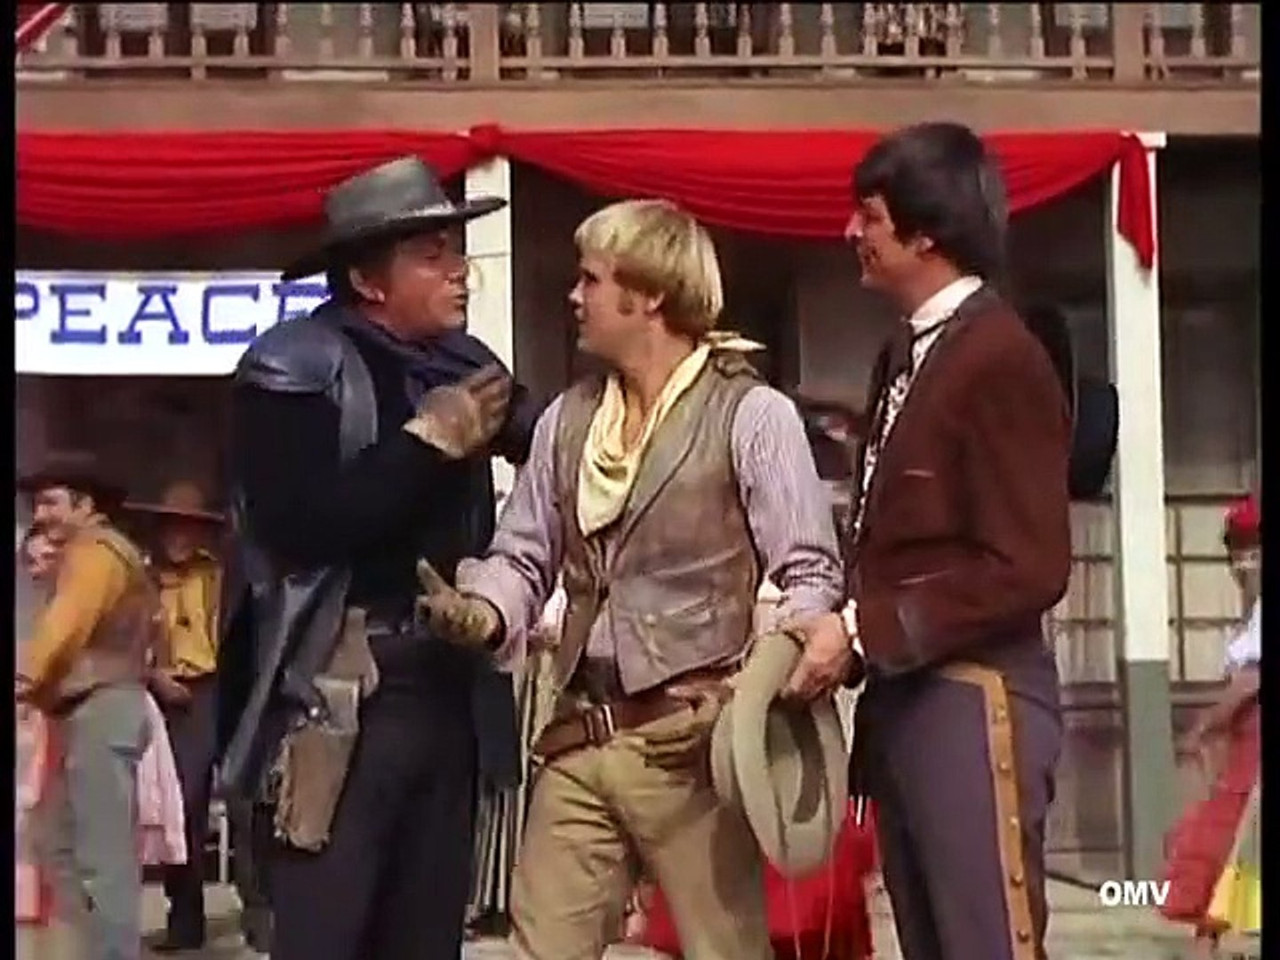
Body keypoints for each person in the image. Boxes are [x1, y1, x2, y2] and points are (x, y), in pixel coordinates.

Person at [416, 197, 848, 960]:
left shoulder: (750, 414)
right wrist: (482, 612)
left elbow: (809, 570)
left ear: (648, 295)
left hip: (694, 744)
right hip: (580, 733)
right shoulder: (568, 419)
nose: (573, 296)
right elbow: (522, 555)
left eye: (591, 278)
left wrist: (777, 675)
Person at [219, 155, 543, 960]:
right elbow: (298, 527)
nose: (459, 270)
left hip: (449, 678)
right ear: (368, 280)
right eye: (431, 256)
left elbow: (556, 448)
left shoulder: (464, 362)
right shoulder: (295, 364)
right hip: (343, 681)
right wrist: (421, 446)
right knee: (328, 925)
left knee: (427, 930)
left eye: (455, 250)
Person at [836, 122, 1073, 960]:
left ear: (926, 232)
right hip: (906, 699)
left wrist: (865, 630)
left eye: (870, 216)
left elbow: (1030, 565)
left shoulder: (1000, 355)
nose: (851, 232)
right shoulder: (907, 352)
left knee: (985, 944)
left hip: (975, 698)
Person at [16, 463, 166, 960]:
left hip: (104, 705)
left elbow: (67, 623)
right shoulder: (92, 554)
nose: (41, 514)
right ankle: (91, 950)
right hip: (86, 707)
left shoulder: (96, 553)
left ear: (85, 506)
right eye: (37, 504)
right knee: (60, 845)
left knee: (101, 856)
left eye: (52, 502)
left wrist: (25, 677)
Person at [124, 480, 226, 952]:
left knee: (200, 800)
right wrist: (154, 675)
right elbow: (125, 636)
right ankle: (181, 916)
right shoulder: (141, 578)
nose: (179, 536)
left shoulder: (216, 576)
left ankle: (211, 914)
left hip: (208, 689)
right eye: (172, 527)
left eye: (188, 527)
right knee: (164, 806)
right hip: (157, 690)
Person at [1161, 496, 1262, 957]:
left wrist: (1203, 726)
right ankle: (1208, 945)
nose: (1242, 563)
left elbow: (1250, 681)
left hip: (1254, 751)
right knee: (1225, 847)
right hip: (1241, 749)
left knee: (1229, 844)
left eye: (1251, 550)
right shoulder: (1253, 613)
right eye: (1237, 550)